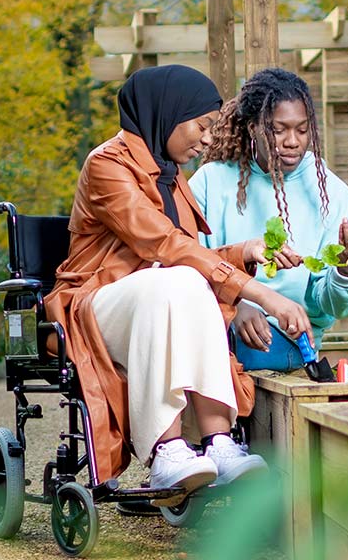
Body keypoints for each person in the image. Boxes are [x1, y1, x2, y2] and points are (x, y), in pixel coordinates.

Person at [43, 65, 312, 497]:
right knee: (172, 280)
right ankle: (167, 449)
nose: (207, 140)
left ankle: (218, 442)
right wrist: (260, 294)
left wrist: (243, 252)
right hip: (91, 307)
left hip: (156, 304)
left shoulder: (172, 178)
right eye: (202, 126)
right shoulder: (107, 165)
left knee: (187, 282)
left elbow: (187, 253)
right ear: (169, 114)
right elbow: (162, 244)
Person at [190, 68, 348, 373]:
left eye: (302, 130)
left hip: (284, 340)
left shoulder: (330, 193)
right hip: (214, 324)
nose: (292, 141)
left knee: (228, 360)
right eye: (279, 130)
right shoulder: (210, 182)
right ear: (253, 127)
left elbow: (340, 307)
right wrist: (233, 304)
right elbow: (182, 262)